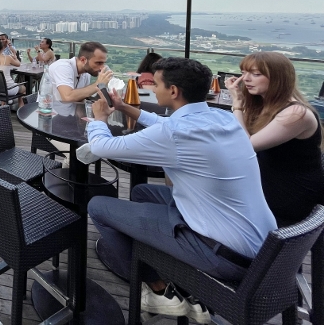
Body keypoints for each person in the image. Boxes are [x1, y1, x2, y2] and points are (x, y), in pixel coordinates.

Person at [83, 57, 276, 321]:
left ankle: (160, 291)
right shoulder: (221, 117)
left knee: (98, 206)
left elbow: (101, 147)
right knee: (141, 193)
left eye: (157, 85)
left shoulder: (176, 134)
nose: (153, 90)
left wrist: (99, 120)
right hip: (263, 248)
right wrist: (124, 107)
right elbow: (165, 126)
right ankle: (169, 273)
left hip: (223, 255)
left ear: (173, 91)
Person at [225, 51, 324, 226]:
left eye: (255, 74)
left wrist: (237, 106)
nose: (246, 79)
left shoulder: (296, 113)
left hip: (290, 194)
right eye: (243, 73)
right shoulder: (263, 104)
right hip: (268, 182)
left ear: (279, 78)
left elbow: (246, 146)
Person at [48, 41, 113, 112]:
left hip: (68, 115)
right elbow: (67, 97)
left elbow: (81, 98)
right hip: (50, 113)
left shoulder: (86, 73)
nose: (102, 67)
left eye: (103, 63)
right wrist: (98, 84)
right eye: (98, 63)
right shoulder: (62, 67)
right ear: (83, 60)